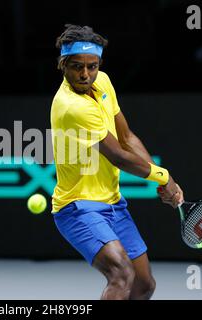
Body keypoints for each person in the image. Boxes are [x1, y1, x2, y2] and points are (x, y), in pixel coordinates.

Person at [50, 24, 184, 300]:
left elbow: (126, 137)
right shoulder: (71, 106)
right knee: (121, 274)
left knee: (143, 285)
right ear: (63, 65)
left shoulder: (103, 83)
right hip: (77, 208)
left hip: (113, 204)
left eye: (92, 66)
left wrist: (161, 180)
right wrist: (163, 178)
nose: (85, 74)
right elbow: (118, 155)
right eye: (77, 66)